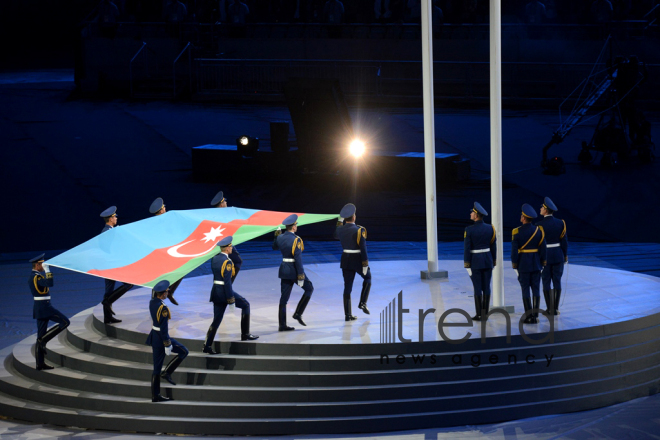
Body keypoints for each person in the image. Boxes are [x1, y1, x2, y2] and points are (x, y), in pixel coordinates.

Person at [202, 236, 258, 355]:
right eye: (231, 246)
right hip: (224, 292)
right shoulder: (227, 262)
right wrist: (231, 299)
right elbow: (227, 282)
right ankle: (245, 334)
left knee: (216, 320)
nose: (232, 248)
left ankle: (207, 345)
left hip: (215, 291)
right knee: (246, 305)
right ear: (227, 248)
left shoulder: (215, 258)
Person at [146, 280, 189, 402]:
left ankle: (155, 395)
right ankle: (167, 372)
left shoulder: (152, 302)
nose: (168, 293)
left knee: (156, 369)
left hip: (154, 337)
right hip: (161, 339)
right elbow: (163, 328)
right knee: (184, 351)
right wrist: (167, 343)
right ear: (163, 294)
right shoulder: (163, 308)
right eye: (167, 291)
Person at [29, 254, 70, 371]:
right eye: (42, 264)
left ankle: (40, 364)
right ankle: (43, 341)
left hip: (40, 307)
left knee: (40, 335)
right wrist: (48, 270)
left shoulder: (34, 276)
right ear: (37, 265)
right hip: (45, 307)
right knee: (65, 322)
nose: (43, 266)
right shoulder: (36, 277)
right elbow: (50, 283)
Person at [272, 214, 314, 331]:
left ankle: (282, 325)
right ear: (294, 227)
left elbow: (274, 247)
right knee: (309, 288)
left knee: (283, 299)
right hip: (294, 270)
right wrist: (300, 274)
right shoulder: (297, 240)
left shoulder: (280, 237)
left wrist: (276, 236)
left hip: (284, 269)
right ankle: (298, 313)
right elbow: (298, 258)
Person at [333, 203, 370, 321]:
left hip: (345, 259)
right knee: (368, 278)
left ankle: (348, 315)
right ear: (354, 217)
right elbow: (363, 248)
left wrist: (339, 221)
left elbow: (335, 236)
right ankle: (362, 303)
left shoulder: (340, 229)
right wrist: (365, 264)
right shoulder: (359, 230)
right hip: (357, 260)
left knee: (347, 287)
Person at [511, 204, 547, 324]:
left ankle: (528, 316)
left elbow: (514, 252)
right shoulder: (539, 230)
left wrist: (515, 264)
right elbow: (543, 248)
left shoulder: (516, 232)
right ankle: (535, 316)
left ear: (524, 218)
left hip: (523, 264)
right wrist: (542, 262)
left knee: (525, 289)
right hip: (536, 263)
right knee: (536, 289)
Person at [100, 206, 134, 324]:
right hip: (112, 265)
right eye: (114, 217)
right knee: (129, 283)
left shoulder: (109, 231)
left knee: (109, 290)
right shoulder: (107, 232)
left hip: (108, 265)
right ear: (110, 219)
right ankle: (107, 302)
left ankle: (107, 316)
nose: (116, 218)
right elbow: (111, 248)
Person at [463, 202, 496, 321]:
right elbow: (493, 246)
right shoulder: (490, 228)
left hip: (475, 261)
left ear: (476, 215)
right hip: (487, 260)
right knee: (486, 287)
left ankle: (479, 314)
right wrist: (494, 261)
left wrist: (467, 264)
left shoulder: (469, 230)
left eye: (472, 212)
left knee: (477, 288)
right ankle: (485, 314)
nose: (471, 214)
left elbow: (467, 248)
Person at [535, 197, 567, 315]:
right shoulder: (561, 223)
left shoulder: (539, 225)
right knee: (557, 281)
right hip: (558, 255)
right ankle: (556, 308)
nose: (540, 209)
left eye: (542, 208)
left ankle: (549, 308)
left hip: (545, 256)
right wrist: (565, 256)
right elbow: (564, 242)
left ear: (546, 210)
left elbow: (538, 244)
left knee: (546, 282)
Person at [148, 198, 180, 305]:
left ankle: (168, 293)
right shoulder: (160, 222)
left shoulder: (156, 221)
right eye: (164, 208)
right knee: (159, 278)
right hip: (161, 254)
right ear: (161, 210)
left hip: (164, 253)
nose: (165, 209)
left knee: (180, 271)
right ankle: (155, 302)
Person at [211, 191, 243, 282]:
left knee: (220, 266)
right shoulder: (221, 216)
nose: (226, 203)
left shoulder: (214, 215)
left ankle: (223, 286)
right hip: (223, 243)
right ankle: (226, 286)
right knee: (237, 261)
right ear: (221, 204)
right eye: (224, 202)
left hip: (220, 243)